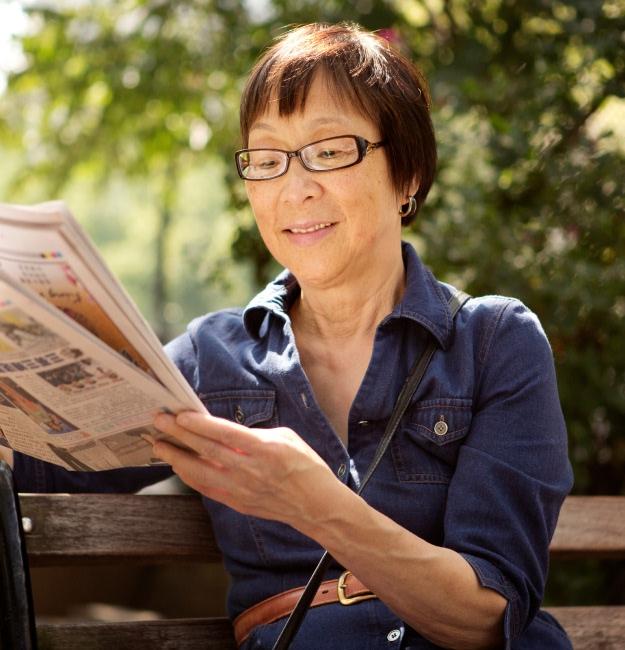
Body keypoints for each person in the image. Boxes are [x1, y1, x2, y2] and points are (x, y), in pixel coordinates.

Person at [1, 22, 573, 650]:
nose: (294, 188)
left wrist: (314, 504)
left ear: (407, 173)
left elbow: (488, 616)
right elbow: (44, 460)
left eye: (329, 151)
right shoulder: (209, 357)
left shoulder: (494, 342)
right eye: (268, 160)